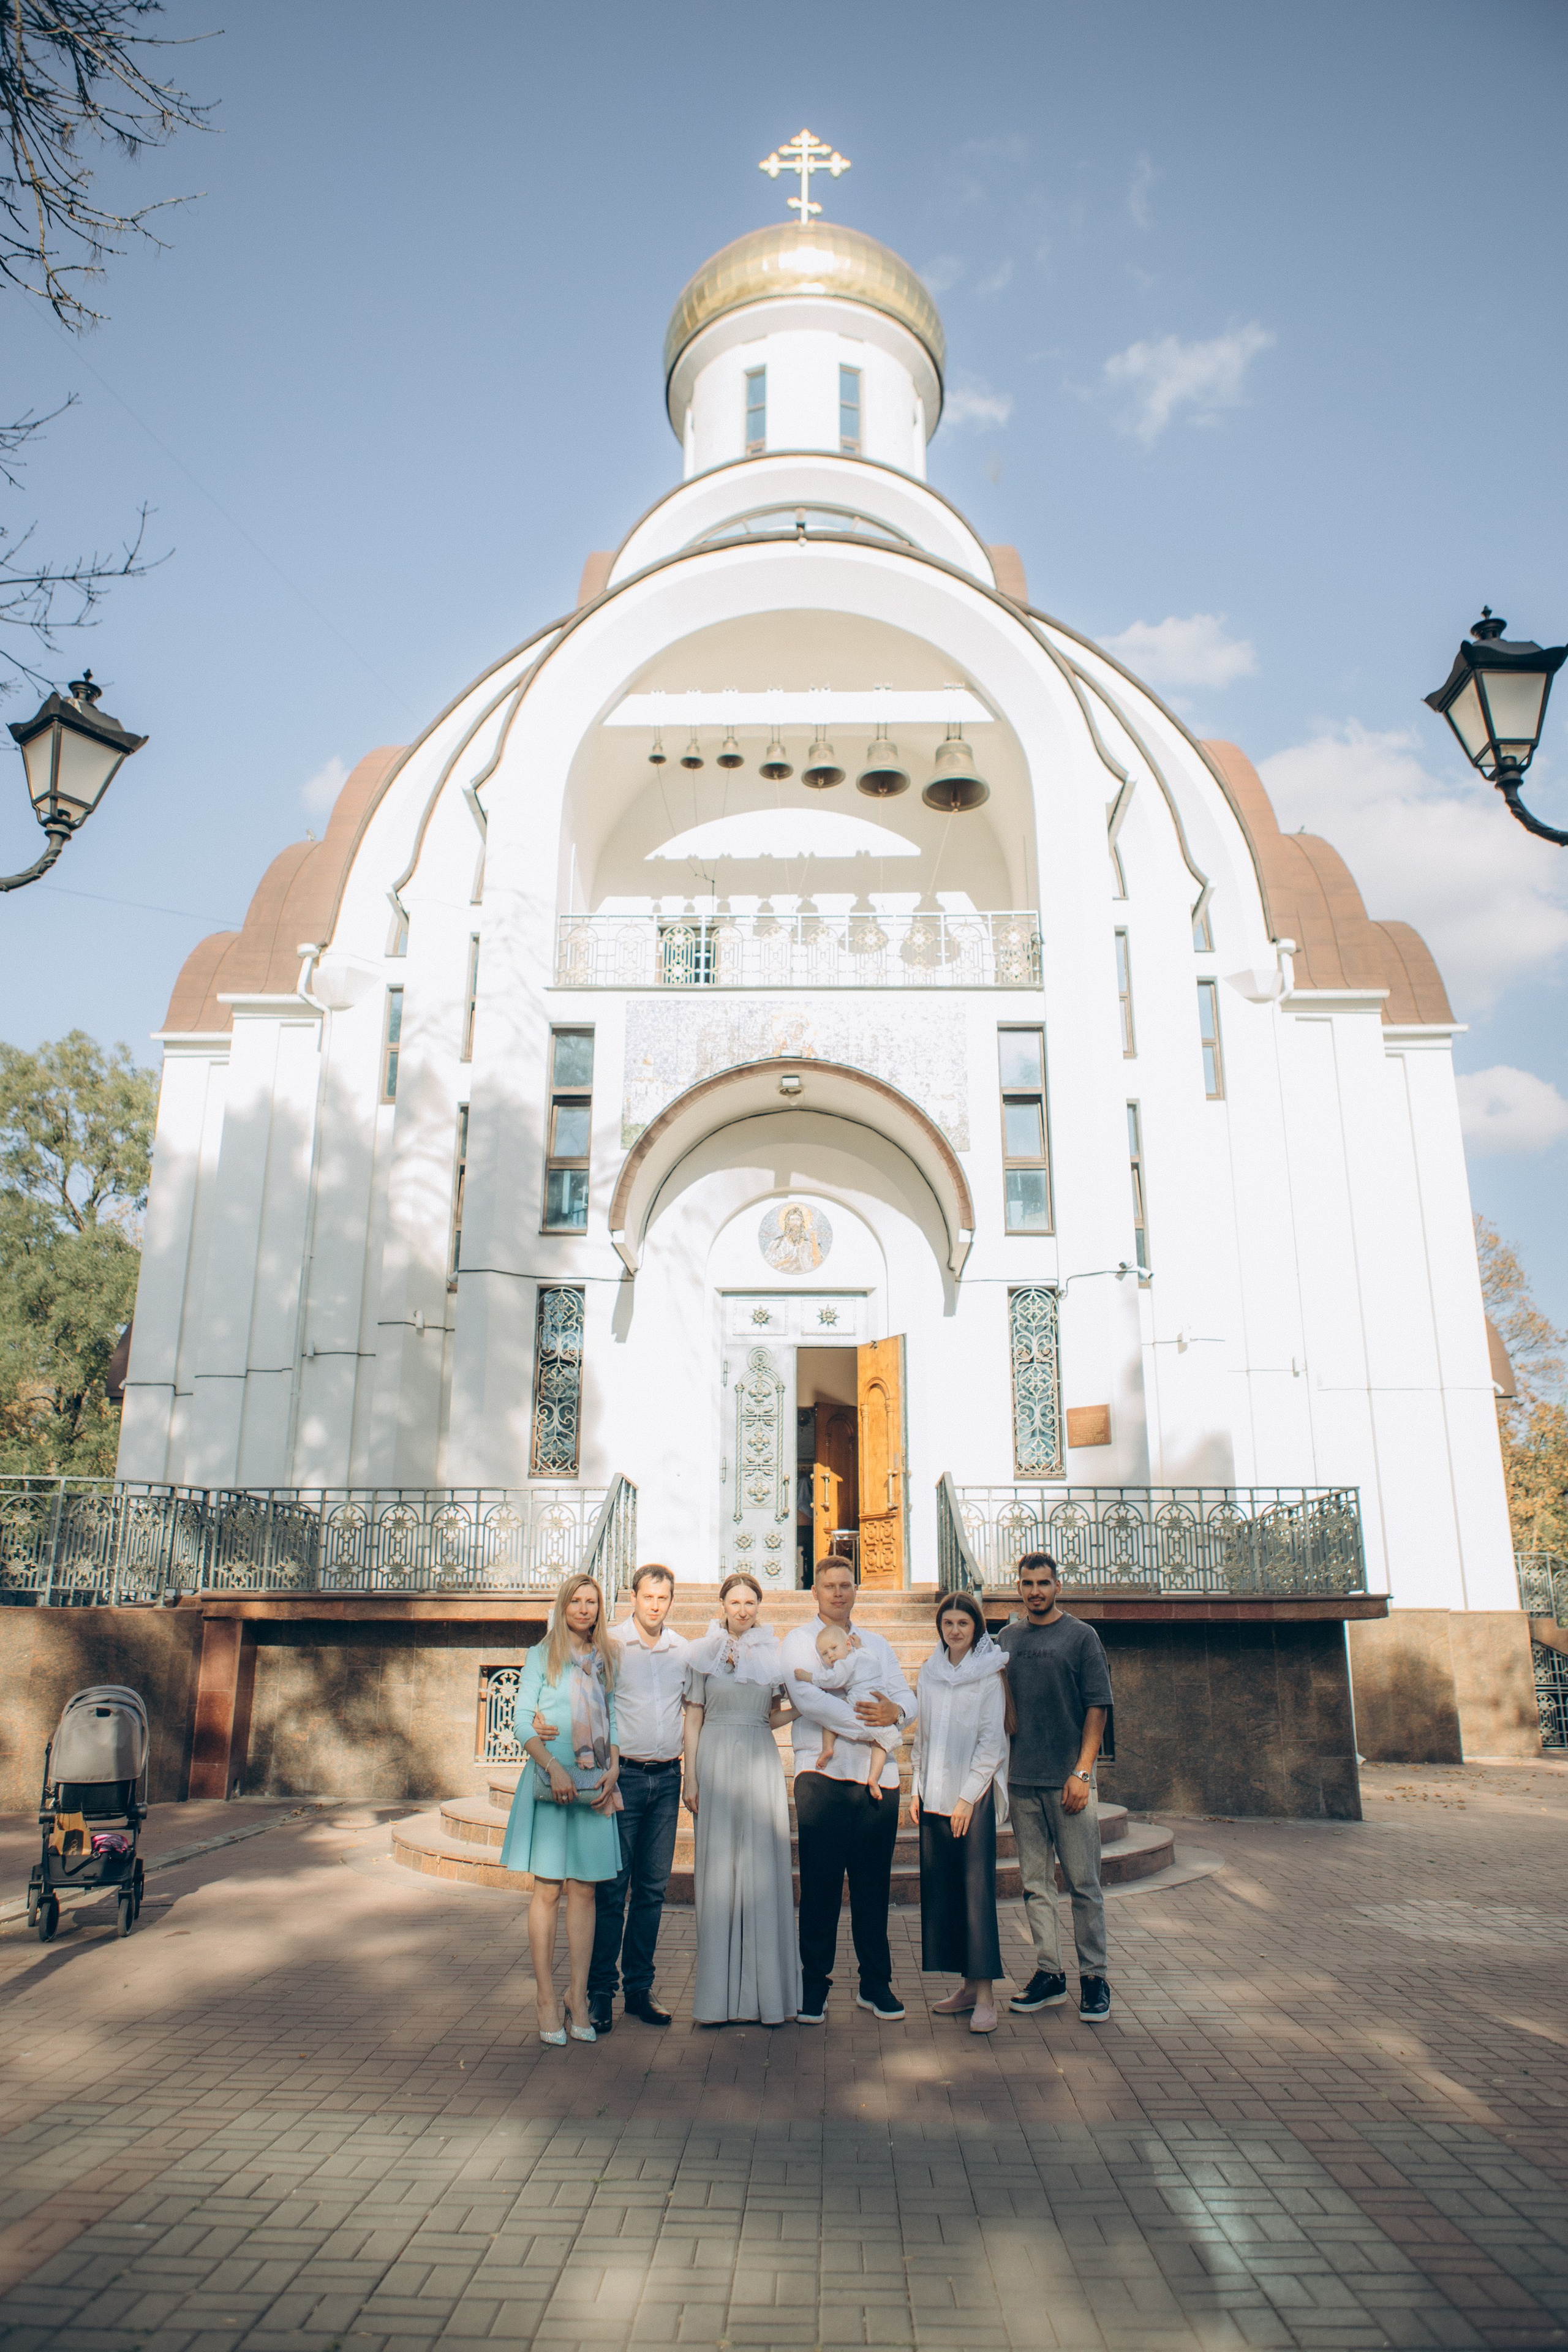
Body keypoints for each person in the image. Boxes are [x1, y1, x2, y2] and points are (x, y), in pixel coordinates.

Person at [782, 1556, 916, 2025]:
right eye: (829, 1586)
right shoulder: (800, 1641)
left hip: (877, 1783)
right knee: (820, 1887)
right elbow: (808, 1699)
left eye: (846, 1585)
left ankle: (875, 1984)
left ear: (856, 1590)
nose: (838, 1593)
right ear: (815, 1592)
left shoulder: (876, 1644)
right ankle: (814, 1985)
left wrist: (898, 1715)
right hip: (823, 1777)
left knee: (872, 1887)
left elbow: (905, 1695)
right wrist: (874, 1728)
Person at [500, 1572, 621, 2047]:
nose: (584, 1609)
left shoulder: (606, 1658)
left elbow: (614, 1718)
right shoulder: (541, 1655)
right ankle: (546, 1998)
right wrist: (553, 1767)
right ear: (563, 1605)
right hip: (552, 1780)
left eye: (592, 1602)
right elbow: (519, 1722)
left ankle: (578, 1996)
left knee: (585, 1890)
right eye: (577, 1601)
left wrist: (615, 1766)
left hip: (594, 1783)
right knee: (549, 1889)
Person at [997, 1551, 1114, 2024]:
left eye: (1043, 1583)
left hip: (1070, 1784)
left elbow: (1098, 1707)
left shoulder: (1082, 1637)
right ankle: (1050, 1974)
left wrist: (1083, 1772)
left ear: (1057, 1587)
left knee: (1084, 1884)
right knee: (1036, 1885)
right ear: (1019, 1588)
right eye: (1027, 1584)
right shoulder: (1007, 1639)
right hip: (1022, 1781)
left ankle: (1095, 1978)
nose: (1035, 1591)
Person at [681, 1572, 801, 2026]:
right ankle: (718, 2000)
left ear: (758, 1606)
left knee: (761, 1869)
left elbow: (771, 1718)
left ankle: (764, 1995)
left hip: (758, 1759)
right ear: (723, 1605)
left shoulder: (774, 1653)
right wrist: (690, 1778)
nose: (743, 1610)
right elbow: (693, 1719)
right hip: (714, 1759)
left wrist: (806, 1707)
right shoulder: (702, 1653)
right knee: (718, 1872)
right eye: (735, 1602)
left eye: (750, 1602)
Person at [586, 1564, 688, 2035]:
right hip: (622, 1779)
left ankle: (639, 1990)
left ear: (671, 1601)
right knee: (613, 1889)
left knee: (652, 1890)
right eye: (648, 1597)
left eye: (663, 1598)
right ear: (633, 1598)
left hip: (666, 1780)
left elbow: (694, 1711)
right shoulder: (611, 1645)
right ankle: (600, 1991)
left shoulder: (682, 1650)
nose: (655, 1606)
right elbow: (590, 1707)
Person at [910, 1590, 1011, 2034]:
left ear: (976, 1628)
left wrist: (968, 1798)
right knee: (945, 1892)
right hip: (934, 1794)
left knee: (975, 1895)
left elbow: (992, 1743)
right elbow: (923, 1737)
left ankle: (986, 1997)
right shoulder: (929, 1673)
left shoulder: (989, 1675)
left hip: (973, 1797)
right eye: (948, 1623)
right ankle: (968, 1989)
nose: (955, 1631)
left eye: (963, 1624)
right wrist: (916, 1788)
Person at [793, 1624, 892, 1796]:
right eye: (825, 1654)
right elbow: (869, 1653)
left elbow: (832, 1680)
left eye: (834, 1648)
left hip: (860, 1700)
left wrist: (808, 1677)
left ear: (847, 1645)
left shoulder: (845, 1664)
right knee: (881, 1742)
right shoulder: (865, 1654)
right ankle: (874, 1778)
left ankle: (827, 1748)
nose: (831, 1655)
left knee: (831, 1717)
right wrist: (859, 1645)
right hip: (879, 1702)